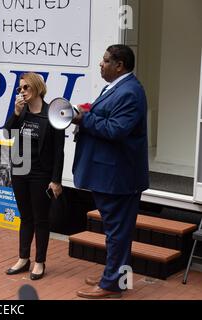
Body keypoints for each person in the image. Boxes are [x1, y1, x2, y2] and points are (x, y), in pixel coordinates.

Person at [72, 44, 149, 298]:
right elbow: (104, 116)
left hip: (119, 177)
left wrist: (84, 118)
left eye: (105, 61)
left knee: (117, 231)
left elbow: (115, 129)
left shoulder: (130, 92)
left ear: (119, 65)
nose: (100, 64)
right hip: (109, 174)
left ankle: (111, 283)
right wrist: (85, 112)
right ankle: (116, 276)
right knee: (116, 230)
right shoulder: (115, 87)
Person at [4, 72, 65, 280]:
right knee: (25, 217)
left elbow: (59, 150)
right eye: (20, 89)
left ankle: (39, 261)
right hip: (20, 171)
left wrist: (56, 180)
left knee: (41, 219)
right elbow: (7, 134)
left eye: (26, 87)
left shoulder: (52, 114)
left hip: (41, 173)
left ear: (37, 88)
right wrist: (15, 112)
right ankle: (23, 258)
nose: (22, 92)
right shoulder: (20, 112)